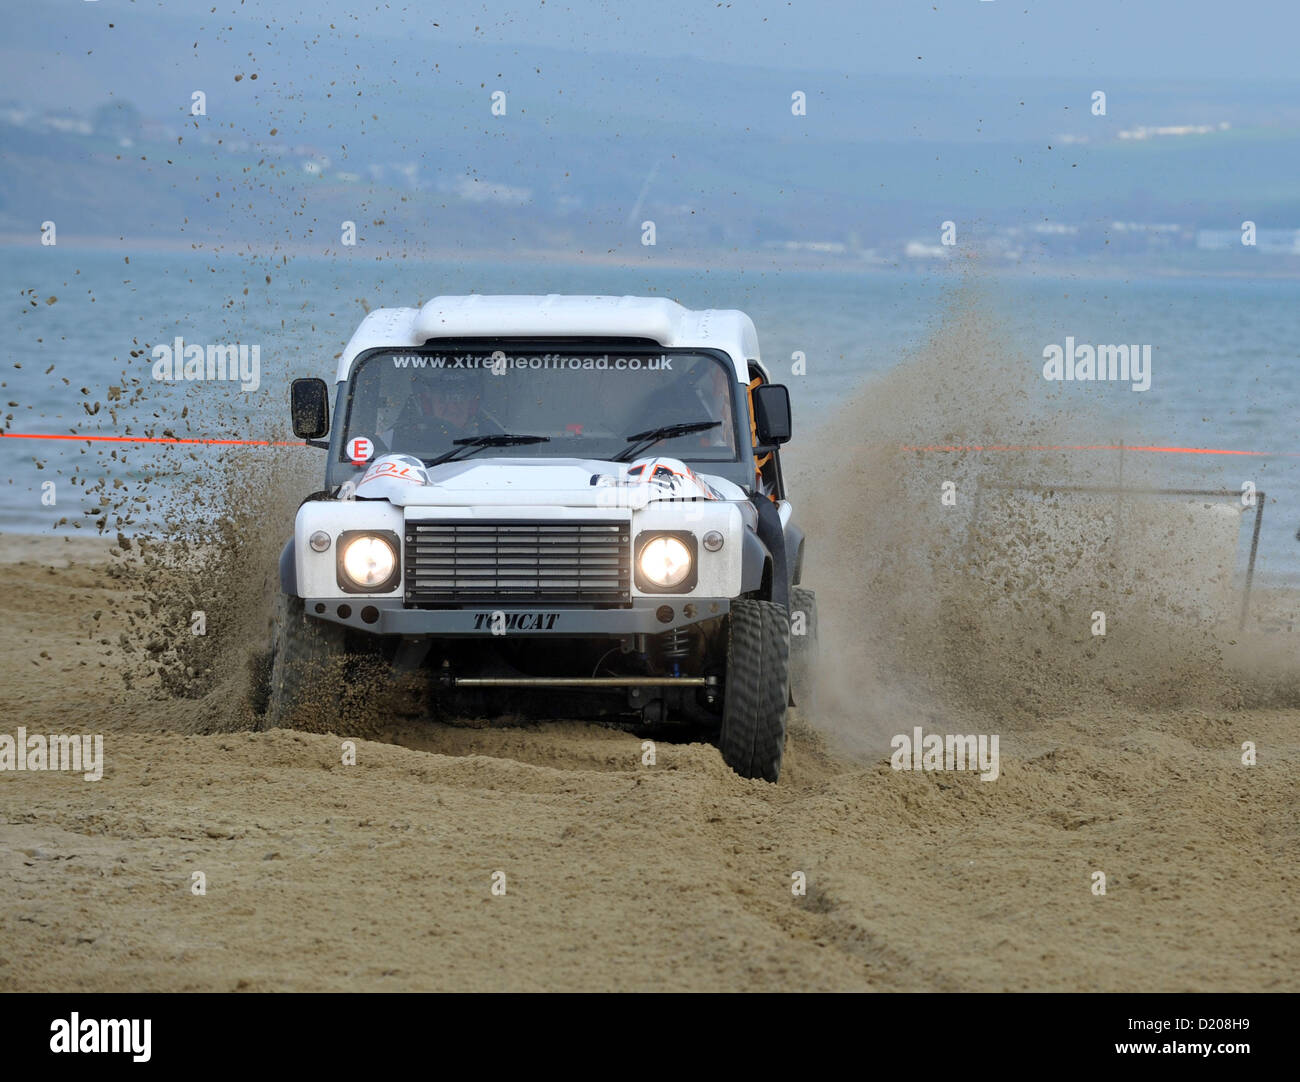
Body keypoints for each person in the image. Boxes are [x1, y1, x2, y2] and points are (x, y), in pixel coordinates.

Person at [381, 367, 502, 454]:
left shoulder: (497, 439)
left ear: (472, 403)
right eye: (443, 399)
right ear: (427, 403)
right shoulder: (391, 440)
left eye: (459, 398)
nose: (452, 407)